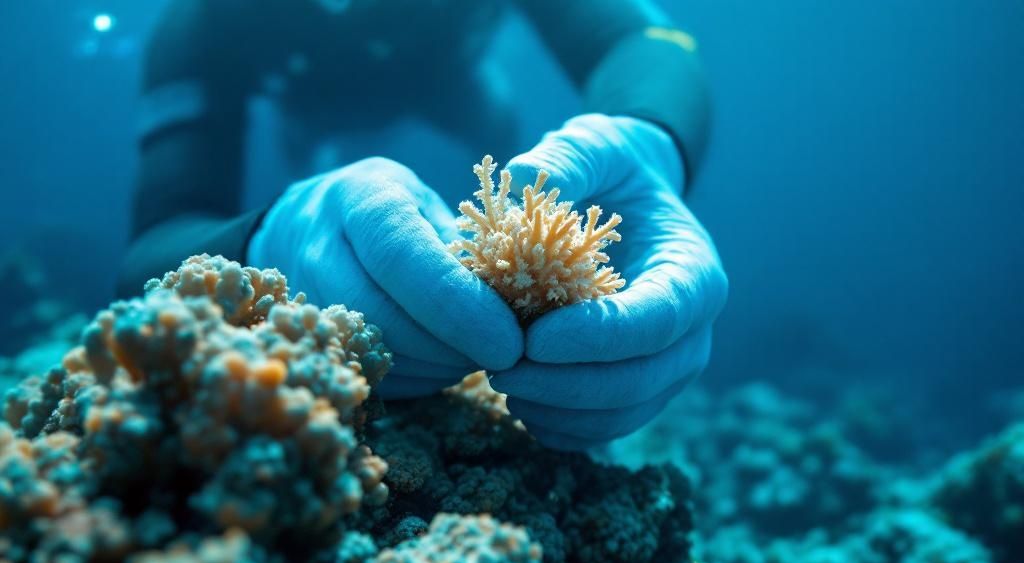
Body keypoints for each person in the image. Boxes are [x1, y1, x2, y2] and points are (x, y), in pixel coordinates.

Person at [119, 0, 728, 451]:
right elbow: (154, 245)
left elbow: (643, 38)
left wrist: (651, 140)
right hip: (316, 108)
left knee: (503, 144)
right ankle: (317, 181)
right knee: (308, 151)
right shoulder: (203, 19)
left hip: (453, 86)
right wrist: (265, 240)